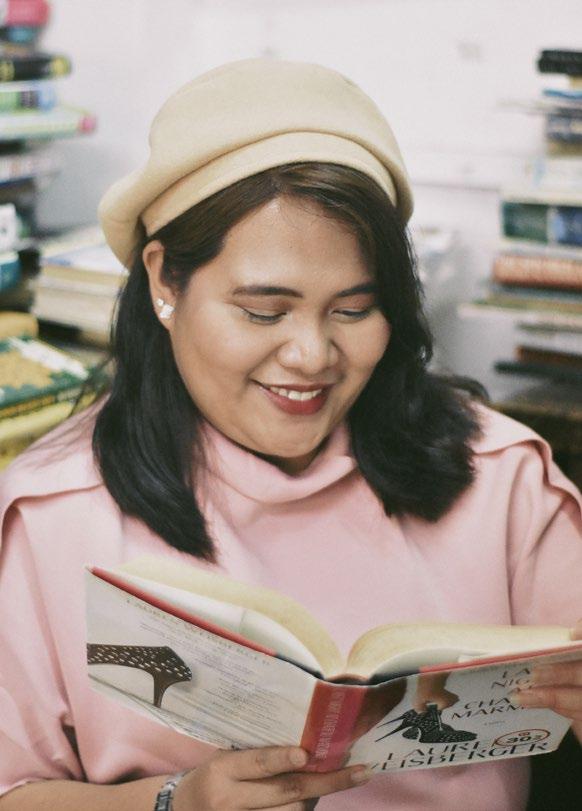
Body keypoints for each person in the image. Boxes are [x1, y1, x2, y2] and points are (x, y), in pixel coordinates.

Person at [0, 58, 581, 811]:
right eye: (264, 312)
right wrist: (182, 800)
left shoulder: (502, 480)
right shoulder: (53, 512)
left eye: (352, 309)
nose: (312, 355)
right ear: (165, 281)